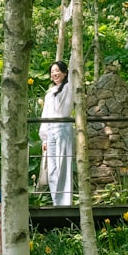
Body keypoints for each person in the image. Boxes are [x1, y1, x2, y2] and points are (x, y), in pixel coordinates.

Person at [40, 60, 75, 206]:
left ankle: (65, 203)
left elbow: (75, 72)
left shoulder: (69, 88)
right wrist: (44, 139)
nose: (55, 74)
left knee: (63, 165)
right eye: (52, 71)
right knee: (52, 168)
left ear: (65, 72)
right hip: (51, 131)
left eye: (58, 70)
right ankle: (56, 202)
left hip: (64, 128)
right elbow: (45, 115)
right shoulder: (50, 94)